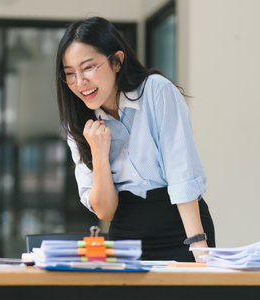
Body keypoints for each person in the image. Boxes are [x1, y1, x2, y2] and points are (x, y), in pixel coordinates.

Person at [55, 17, 215, 262]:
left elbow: (182, 173)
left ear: (117, 61)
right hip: (126, 235)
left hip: (181, 228)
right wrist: (98, 153)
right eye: (70, 74)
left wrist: (199, 246)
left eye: (88, 68)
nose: (80, 82)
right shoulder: (76, 123)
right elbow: (105, 211)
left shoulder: (156, 91)